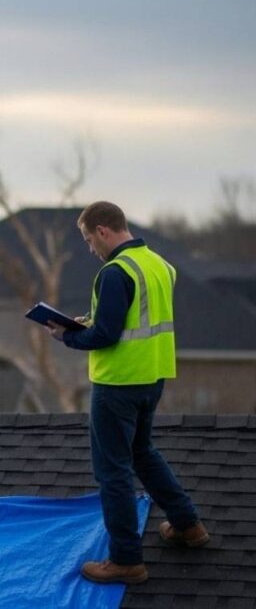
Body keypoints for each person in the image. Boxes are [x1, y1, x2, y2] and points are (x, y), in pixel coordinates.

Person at [47, 201, 209, 584]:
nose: (90, 248)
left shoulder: (114, 272)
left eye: (89, 240)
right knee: (142, 453)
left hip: (117, 385)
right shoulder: (159, 264)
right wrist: (91, 322)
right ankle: (188, 525)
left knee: (113, 471)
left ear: (103, 231)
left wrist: (66, 335)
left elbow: (106, 334)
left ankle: (125, 560)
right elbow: (136, 318)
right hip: (152, 378)